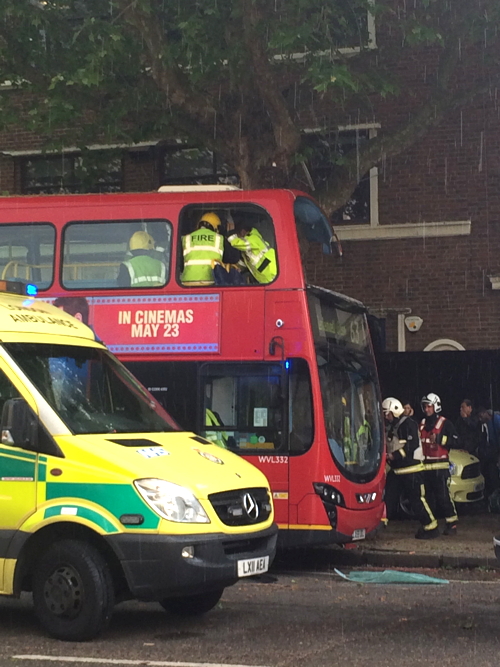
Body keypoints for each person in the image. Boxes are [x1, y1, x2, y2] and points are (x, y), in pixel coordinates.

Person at [383, 397, 438, 540]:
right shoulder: (392, 426)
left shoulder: (409, 424)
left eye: (387, 413)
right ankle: (380, 524)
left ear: (394, 411)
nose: (386, 417)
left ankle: (431, 527)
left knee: (416, 501)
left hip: (412, 471)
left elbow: (411, 446)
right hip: (396, 471)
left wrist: (394, 456)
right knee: (388, 498)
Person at [419, 393, 459, 535]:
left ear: (436, 406)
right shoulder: (422, 424)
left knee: (443, 497)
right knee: (428, 498)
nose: (426, 409)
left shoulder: (445, 423)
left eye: (429, 406)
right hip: (425, 467)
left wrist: (440, 439)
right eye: (424, 406)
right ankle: (432, 525)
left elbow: (456, 440)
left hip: (440, 466)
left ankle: (452, 523)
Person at [180, 212, 241, 286]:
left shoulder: (186, 238)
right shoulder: (219, 238)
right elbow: (234, 258)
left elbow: (180, 264)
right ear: (216, 227)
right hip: (210, 282)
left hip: (187, 283)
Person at [477, 407, 500, 498]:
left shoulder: (497, 420)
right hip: (494, 451)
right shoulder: (487, 423)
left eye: (480, 416)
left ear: (485, 413)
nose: (480, 419)